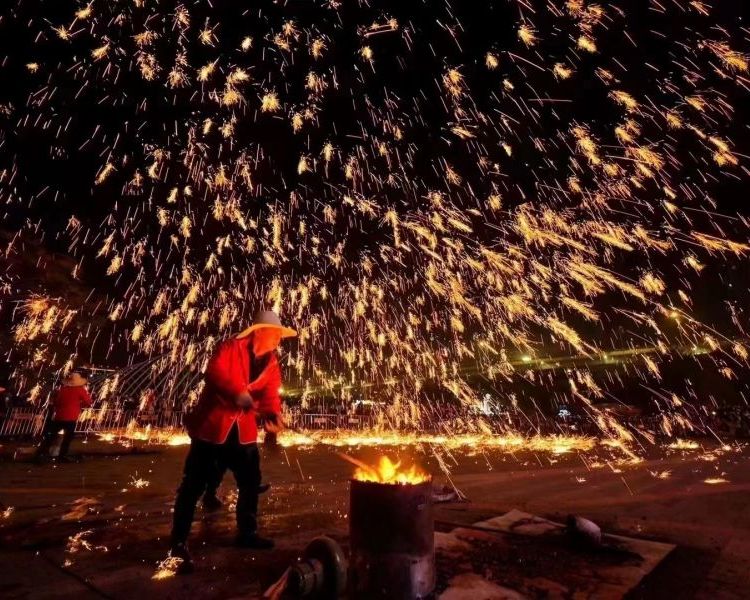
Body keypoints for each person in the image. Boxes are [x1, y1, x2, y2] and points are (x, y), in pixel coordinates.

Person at [170, 310, 296, 572]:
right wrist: (237, 393)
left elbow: (271, 393)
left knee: (250, 482)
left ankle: (247, 533)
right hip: (213, 430)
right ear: (259, 331)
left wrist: (273, 414)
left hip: (244, 432)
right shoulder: (230, 347)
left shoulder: (272, 362)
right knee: (193, 484)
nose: (278, 340)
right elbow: (214, 374)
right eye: (275, 334)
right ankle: (178, 542)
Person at [36, 372, 92, 462]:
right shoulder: (80, 390)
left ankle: (41, 453)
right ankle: (62, 456)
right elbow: (88, 402)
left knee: (51, 436)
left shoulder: (62, 389)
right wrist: (79, 404)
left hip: (59, 416)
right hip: (71, 418)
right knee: (67, 438)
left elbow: (56, 402)